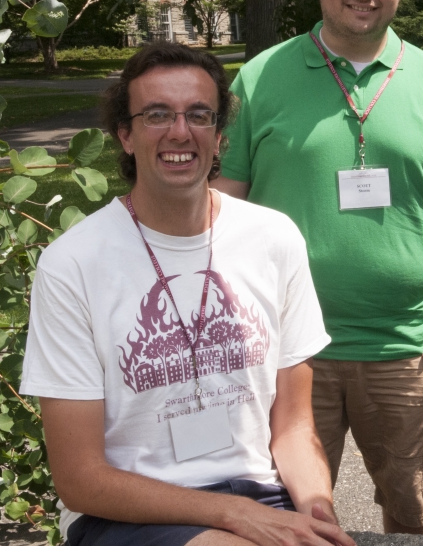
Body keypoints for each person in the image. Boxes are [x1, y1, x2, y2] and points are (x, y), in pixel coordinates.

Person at [213, 0, 423, 537]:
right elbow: (223, 201)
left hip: (409, 346)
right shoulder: (260, 78)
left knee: (413, 514)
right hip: (287, 349)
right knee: (290, 517)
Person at [19, 43, 355, 546]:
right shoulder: (73, 264)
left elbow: (292, 428)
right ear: (125, 135)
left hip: (259, 495)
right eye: (157, 115)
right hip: (128, 512)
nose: (180, 132)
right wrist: (232, 515)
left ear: (219, 136)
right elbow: (79, 477)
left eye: (199, 115)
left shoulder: (274, 238)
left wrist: (316, 509)